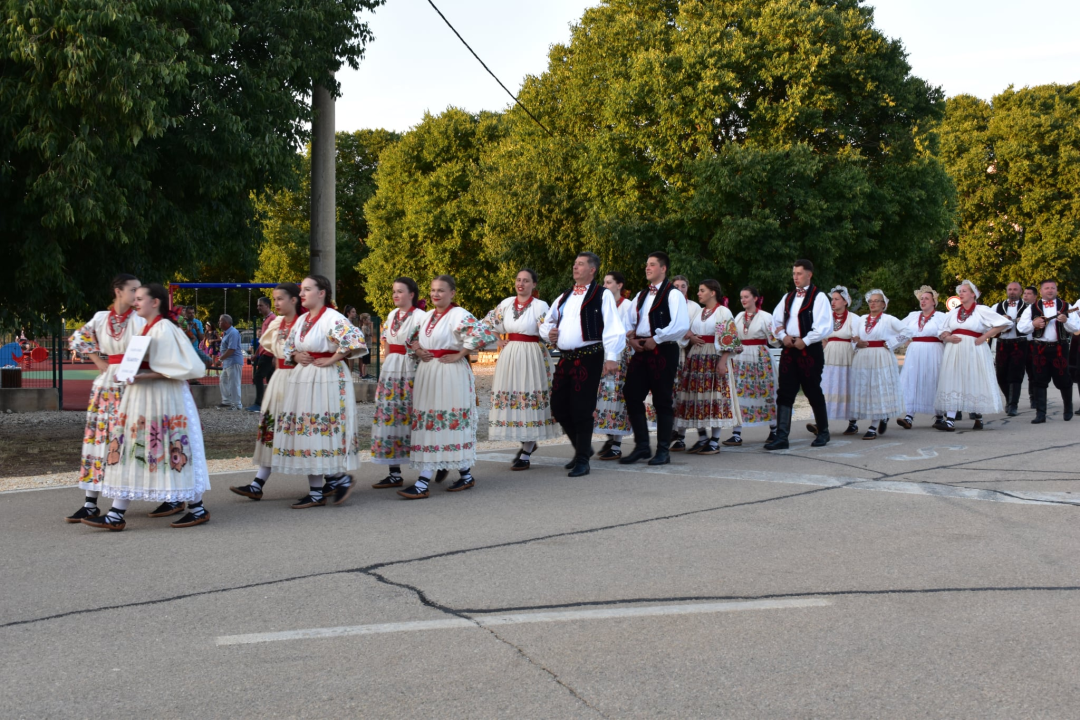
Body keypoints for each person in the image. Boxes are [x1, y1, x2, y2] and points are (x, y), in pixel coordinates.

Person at [80, 283, 210, 530]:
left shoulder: (164, 328)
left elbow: (182, 368)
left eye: (140, 299)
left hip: (164, 397)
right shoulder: (149, 328)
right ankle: (116, 514)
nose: (136, 302)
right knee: (133, 447)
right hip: (143, 396)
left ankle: (197, 507)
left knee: (172, 447)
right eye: (135, 298)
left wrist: (142, 376)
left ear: (155, 302)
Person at [272, 275, 367, 507]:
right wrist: (295, 355)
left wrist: (333, 358)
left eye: (307, 290)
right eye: (301, 290)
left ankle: (334, 480)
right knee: (307, 431)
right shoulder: (303, 319)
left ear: (322, 292)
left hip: (327, 378)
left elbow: (354, 341)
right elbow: (289, 346)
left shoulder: (333, 318)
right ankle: (322, 488)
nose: (302, 294)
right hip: (305, 377)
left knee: (321, 430)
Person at [397, 275, 497, 498]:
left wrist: (460, 354)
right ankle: (465, 475)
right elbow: (410, 339)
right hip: (429, 372)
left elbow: (481, 334)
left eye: (441, 290)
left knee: (445, 421)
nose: (435, 294)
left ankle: (423, 481)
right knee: (430, 422)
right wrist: (418, 350)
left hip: (450, 373)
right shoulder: (427, 316)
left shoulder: (458, 314)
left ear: (452, 293)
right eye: (433, 290)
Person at [64, 274, 147, 523]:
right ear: (118, 291)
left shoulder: (140, 319)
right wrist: (99, 360)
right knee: (97, 439)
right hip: (106, 385)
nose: (137, 295)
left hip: (131, 383)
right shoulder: (101, 318)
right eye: (133, 290)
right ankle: (91, 503)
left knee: (127, 440)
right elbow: (77, 338)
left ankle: (162, 496)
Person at [540, 253, 626, 477]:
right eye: (574, 264)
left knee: (581, 408)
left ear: (592, 270)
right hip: (566, 358)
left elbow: (613, 327)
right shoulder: (564, 296)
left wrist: (612, 357)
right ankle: (583, 448)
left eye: (580, 264)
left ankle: (582, 461)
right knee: (558, 406)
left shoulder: (602, 295)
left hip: (590, 356)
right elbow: (547, 322)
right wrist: (548, 333)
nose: (575, 267)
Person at [229, 284, 302, 501]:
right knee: (273, 430)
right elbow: (270, 348)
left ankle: (332, 479)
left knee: (300, 431)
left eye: (280, 299)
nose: (276, 303)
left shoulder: (305, 324)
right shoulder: (278, 323)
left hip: (297, 380)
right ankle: (257, 484)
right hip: (280, 379)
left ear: (294, 300)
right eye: (275, 299)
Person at [484, 269, 560, 471]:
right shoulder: (507, 304)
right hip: (510, 356)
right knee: (514, 399)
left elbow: (548, 329)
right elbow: (488, 324)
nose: (521, 284)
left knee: (529, 399)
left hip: (532, 355)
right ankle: (527, 442)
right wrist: (498, 341)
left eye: (526, 281)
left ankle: (526, 451)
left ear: (534, 285)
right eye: (518, 280)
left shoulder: (540, 305)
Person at [620, 251, 690, 466]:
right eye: (647, 264)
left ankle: (662, 450)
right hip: (641, 350)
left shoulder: (673, 294)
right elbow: (628, 322)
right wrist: (630, 339)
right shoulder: (641, 295)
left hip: (663, 350)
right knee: (631, 394)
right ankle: (642, 445)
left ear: (663, 268)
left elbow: (680, 325)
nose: (647, 268)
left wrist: (657, 339)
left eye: (652, 265)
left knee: (662, 399)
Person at [766, 260, 832, 450]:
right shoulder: (788, 297)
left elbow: (823, 325)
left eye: (799, 273)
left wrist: (808, 339)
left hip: (809, 350)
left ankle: (823, 432)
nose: (795, 277)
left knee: (812, 389)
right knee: (785, 392)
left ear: (809, 275)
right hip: (789, 348)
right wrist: (782, 336)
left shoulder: (819, 297)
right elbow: (775, 321)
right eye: (794, 273)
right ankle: (781, 436)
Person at [673, 279, 742, 454]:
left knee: (714, 396)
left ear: (712, 293)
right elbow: (686, 330)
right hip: (696, 357)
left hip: (714, 355)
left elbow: (729, 338)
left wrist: (722, 361)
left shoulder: (722, 311)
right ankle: (703, 437)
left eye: (702, 290)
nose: (698, 293)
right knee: (695, 397)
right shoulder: (699, 312)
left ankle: (715, 440)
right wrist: (691, 336)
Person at [369, 278, 425, 489]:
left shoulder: (421, 316)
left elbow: (423, 343)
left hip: (411, 368)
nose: (395, 295)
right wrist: (387, 363)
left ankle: (425, 470)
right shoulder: (392, 315)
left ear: (412, 294)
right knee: (390, 417)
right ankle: (394, 473)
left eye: (400, 291)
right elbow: (387, 341)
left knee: (411, 416)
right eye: (394, 291)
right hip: (392, 369)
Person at [933, 280, 1011, 431]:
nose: (961, 294)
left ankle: (978, 417)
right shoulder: (954, 312)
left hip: (974, 348)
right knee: (953, 379)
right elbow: (942, 330)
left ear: (973, 294)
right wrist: (947, 337)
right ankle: (950, 420)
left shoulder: (981, 310)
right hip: (954, 350)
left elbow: (1004, 323)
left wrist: (985, 336)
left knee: (974, 379)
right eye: (960, 291)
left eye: (964, 291)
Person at [849, 290, 911, 439]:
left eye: (876, 301)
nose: (873, 303)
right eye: (870, 301)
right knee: (866, 389)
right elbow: (853, 336)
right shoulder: (862, 319)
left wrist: (890, 343)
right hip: (863, 357)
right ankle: (881, 417)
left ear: (883, 304)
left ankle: (873, 426)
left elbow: (907, 331)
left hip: (880, 357)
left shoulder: (889, 319)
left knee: (878, 389)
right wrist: (857, 343)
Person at [1017, 279, 1079, 423]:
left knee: (1064, 379)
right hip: (1040, 347)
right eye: (1047, 288)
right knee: (1039, 380)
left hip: (1060, 348)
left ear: (1056, 290)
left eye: (1052, 288)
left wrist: (1066, 321)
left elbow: (1076, 328)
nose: (1050, 290)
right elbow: (1021, 328)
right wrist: (1033, 323)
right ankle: (1041, 414)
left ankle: (1068, 409)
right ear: (1041, 291)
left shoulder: (1066, 306)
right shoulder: (1032, 308)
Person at [726, 286, 778, 446]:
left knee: (766, 392)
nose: (743, 300)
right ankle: (736, 433)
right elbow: (733, 336)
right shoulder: (740, 316)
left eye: (746, 296)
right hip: (741, 358)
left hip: (760, 358)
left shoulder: (765, 316)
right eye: (741, 297)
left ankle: (774, 430)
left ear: (755, 298)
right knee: (739, 393)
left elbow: (774, 339)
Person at [811, 286, 861, 438]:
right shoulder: (826, 318)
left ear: (845, 301)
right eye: (832, 299)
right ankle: (820, 422)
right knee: (826, 386)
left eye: (836, 299)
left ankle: (853, 423)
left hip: (847, 356)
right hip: (829, 356)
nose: (833, 302)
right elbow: (823, 339)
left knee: (847, 387)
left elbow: (858, 339)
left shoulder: (854, 319)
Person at [594, 271, 634, 461]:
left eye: (609, 282)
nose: (605, 285)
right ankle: (610, 438)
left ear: (619, 285)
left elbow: (633, 329)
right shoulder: (602, 303)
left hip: (618, 355)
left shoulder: (628, 305)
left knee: (615, 395)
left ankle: (617, 444)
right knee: (602, 396)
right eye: (604, 282)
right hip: (602, 353)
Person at [897, 286, 948, 429]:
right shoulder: (913, 316)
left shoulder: (941, 317)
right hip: (915, 352)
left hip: (934, 351)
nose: (923, 301)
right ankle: (909, 416)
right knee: (913, 379)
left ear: (934, 302)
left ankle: (939, 415)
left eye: (926, 298)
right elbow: (899, 328)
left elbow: (948, 331)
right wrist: (905, 340)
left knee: (933, 379)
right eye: (921, 298)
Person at [669, 274, 702, 451]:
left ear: (687, 288)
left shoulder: (694, 307)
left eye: (683, 286)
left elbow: (696, 331)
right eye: (677, 286)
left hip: (686, 353)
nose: (680, 289)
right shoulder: (667, 304)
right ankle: (674, 432)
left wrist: (688, 337)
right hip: (667, 351)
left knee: (686, 394)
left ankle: (686, 434)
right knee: (671, 394)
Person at [992, 282, 1030, 416]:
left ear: (1020, 292)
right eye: (1010, 289)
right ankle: (1009, 399)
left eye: (1015, 289)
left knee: (1016, 374)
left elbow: (1034, 324)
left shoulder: (1028, 307)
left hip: (1019, 343)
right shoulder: (997, 307)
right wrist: (1001, 321)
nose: (1012, 292)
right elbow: (988, 323)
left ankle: (1013, 404)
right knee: (1000, 375)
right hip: (1002, 342)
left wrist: (1023, 322)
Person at [247, 297, 277, 412]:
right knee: (270, 379)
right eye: (258, 305)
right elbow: (264, 339)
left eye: (260, 305)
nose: (258, 307)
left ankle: (259, 403)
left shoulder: (272, 319)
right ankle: (273, 403)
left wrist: (274, 355)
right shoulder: (267, 320)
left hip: (268, 354)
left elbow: (274, 338)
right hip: (265, 353)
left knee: (258, 377)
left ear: (267, 306)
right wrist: (256, 353)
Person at [216, 314, 243, 410]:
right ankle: (227, 401)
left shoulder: (233, 333)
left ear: (226, 323)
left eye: (220, 321)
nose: (219, 323)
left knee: (234, 383)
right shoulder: (227, 333)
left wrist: (220, 359)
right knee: (223, 380)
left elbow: (231, 349)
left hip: (234, 361)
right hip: (228, 362)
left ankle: (237, 404)